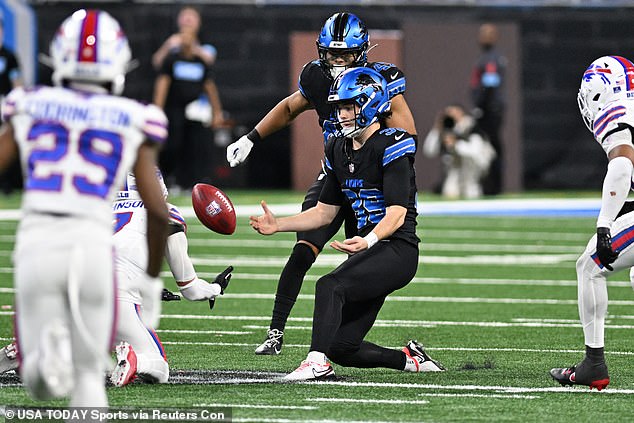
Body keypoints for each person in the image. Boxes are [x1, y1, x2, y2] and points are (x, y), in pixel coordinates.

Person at [0, 9, 169, 406]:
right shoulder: (134, 117)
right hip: (94, 250)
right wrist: (150, 280)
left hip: (38, 245)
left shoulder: (30, 103)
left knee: (39, 381)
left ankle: (43, 360)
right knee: (90, 382)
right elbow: (159, 213)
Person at [226, 12, 418, 355]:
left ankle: (338, 342)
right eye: (332, 54)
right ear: (321, 51)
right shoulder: (316, 77)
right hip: (336, 171)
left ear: (361, 51)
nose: (337, 61)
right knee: (304, 248)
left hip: (367, 179)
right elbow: (289, 108)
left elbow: (406, 136)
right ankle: (277, 332)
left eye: (345, 55)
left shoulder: (380, 80)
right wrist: (252, 138)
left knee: (360, 261)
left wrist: (370, 150)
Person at [250, 67, 444, 380]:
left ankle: (315, 363)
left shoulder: (393, 145)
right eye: (339, 106)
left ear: (370, 104)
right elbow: (324, 214)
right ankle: (412, 361)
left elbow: (396, 213)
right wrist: (279, 225)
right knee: (342, 346)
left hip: (397, 249)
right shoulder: (338, 149)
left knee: (329, 285)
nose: (341, 114)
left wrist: (367, 241)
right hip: (368, 252)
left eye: (348, 106)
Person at [550, 55, 634, 391]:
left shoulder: (618, 113)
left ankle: (593, 364)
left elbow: (622, 165)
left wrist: (604, 224)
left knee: (590, 264)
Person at [109, 170, 233, 386]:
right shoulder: (166, 213)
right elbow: (191, 289)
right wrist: (215, 288)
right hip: (116, 294)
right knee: (158, 367)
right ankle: (137, 359)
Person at [153, 22, 225, 192]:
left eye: (189, 36)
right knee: (172, 144)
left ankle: (190, 182)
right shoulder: (172, 59)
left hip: (194, 111)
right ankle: (169, 180)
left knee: (194, 146)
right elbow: (163, 83)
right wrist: (157, 109)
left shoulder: (200, 62)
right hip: (174, 109)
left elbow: (210, 87)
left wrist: (217, 112)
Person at [422, 104, 496, 199]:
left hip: (474, 169)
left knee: (471, 191)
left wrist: (456, 144)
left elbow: (475, 153)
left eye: (454, 114)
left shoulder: (472, 127)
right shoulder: (446, 130)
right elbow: (429, 151)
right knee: (450, 191)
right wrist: (437, 129)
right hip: (456, 168)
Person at [470, 23, 506, 195]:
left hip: (490, 108)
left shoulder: (491, 58)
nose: (483, 37)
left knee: (491, 146)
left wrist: (481, 106)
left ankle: (494, 186)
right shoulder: (487, 57)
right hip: (490, 107)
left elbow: (490, 84)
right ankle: (489, 185)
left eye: (488, 34)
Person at [0, 14, 23, 195]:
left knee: (7, 140)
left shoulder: (9, 56)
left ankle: (7, 184)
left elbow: (17, 83)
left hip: (4, 104)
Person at [152, 6, 216, 70]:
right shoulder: (170, 41)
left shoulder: (205, 42)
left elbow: (210, 60)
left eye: (192, 17)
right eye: (184, 17)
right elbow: (156, 62)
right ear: (178, 21)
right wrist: (167, 46)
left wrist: (192, 47)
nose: (188, 20)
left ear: (199, 22)